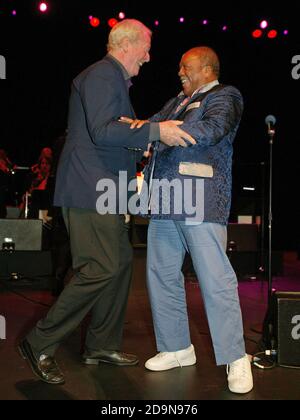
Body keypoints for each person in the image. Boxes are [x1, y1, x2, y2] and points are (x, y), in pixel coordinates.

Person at [18, 19, 195, 385]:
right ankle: (39, 343)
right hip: (89, 189)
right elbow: (102, 130)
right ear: (127, 44)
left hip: (105, 190)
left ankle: (100, 343)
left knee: (120, 261)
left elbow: (110, 130)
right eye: (146, 48)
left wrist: (140, 139)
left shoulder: (111, 79)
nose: (148, 57)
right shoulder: (102, 74)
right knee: (100, 267)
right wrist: (154, 130)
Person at [126, 46, 253, 394]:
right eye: (180, 66)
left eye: (186, 66)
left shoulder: (225, 95)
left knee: (215, 280)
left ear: (208, 68)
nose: (179, 71)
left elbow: (210, 130)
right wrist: (135, 129)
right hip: (165, 201)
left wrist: (162, 134)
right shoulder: (176, 102)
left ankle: (236, 358)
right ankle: (177, 347)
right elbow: (151, 126)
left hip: (200, 199)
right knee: (162, 275)